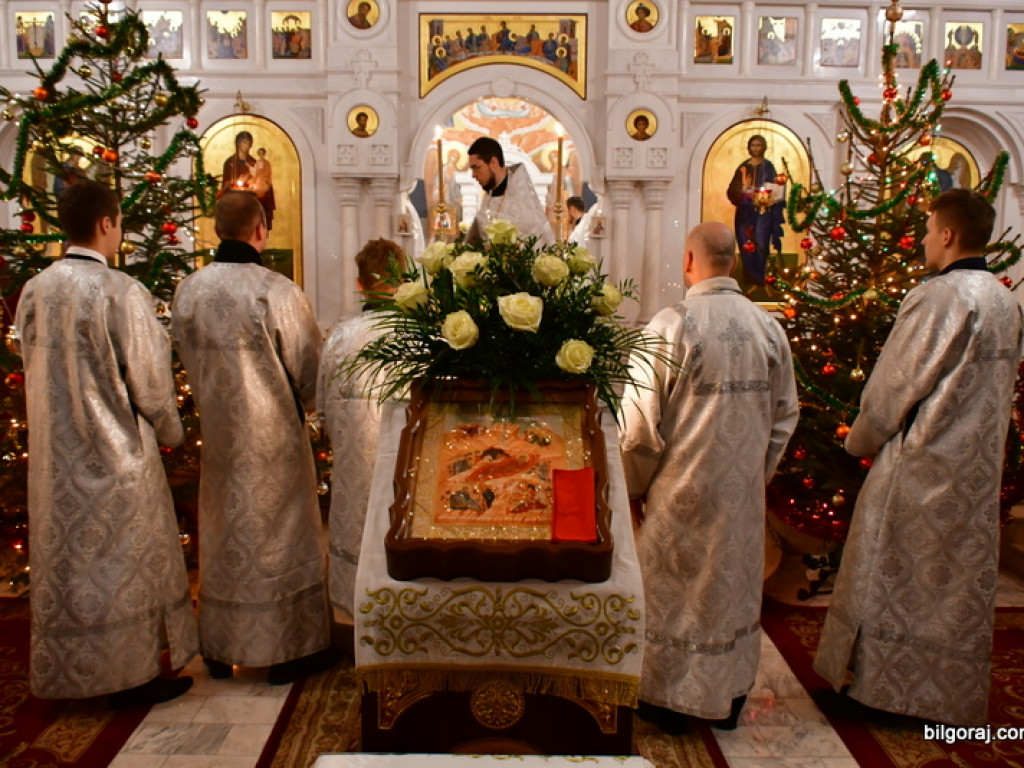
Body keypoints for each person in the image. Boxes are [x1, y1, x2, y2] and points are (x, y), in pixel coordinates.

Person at [813, 189, 1024, 727]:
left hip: (920, 465)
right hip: (973, 475)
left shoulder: (939, 298)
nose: (925, 239)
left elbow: (894, 388)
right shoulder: (1003, 299)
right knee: (947, 586)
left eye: (930, 229)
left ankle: (879, 693)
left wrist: (859, 438)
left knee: (886, 579)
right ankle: (940, 698)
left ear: (949, 235)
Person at [16, 180, 197, 707]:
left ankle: (71, 675)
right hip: (117, 454)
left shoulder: (35, 290)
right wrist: (171, 432)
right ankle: (131, 676)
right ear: (105, 224)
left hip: (55, 460)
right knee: (124, 565)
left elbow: (30, 363)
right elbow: (151, 381)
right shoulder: (121, 291)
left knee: (72, 565)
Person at [619, 221, 798, 733]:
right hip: (741, 499)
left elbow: (637, 426)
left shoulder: (671, 324)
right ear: (736, 261)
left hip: (681, 494)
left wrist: (634, 489)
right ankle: (730, 696)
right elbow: (786, 414)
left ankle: (667, 700)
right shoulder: (769, 327)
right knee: (731, 594)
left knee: (678, 597)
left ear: (688, 261)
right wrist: (752, 475)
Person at [172, 191, 336, 685]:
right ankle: (286, 650)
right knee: (279, 539)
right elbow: (309, 370)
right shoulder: (276, 290)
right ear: (260, 230)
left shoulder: (190, 290)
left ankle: (221, 650)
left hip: (220, 439)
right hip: (274, 443)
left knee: (225, 538)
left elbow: (184, 356)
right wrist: (310, 409)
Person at [317, 239, 406, 629]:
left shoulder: (339, 336)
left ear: (359, 284)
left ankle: (355, 626)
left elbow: (321, 408)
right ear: (403, 282)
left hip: (353, 474)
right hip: (403, 474)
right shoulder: (418, 337)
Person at [465, 137, 555, 247]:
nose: (473, 175)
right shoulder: (489, 196)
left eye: (476, 167)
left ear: (493, 162)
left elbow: (538, 236)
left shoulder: (523, 197)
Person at [726, 134, 785, 287]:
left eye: (759, 145)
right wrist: (743, 192)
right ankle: (749, 279)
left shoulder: (768, 166)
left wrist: (768, 197)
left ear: (764, 147)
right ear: (748, 148)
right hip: (745, 212)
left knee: (761, 242)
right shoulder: (743, 167)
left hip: (763, 213)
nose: (756, 148)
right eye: (753, 145)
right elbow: (732, 190)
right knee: (745, 243)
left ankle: (761, 278)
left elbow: (776, 188)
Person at [221, 130, 275, 231]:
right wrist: (236, 182)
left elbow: (261, 179)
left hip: (251, 202)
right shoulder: (229, 163)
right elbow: (225, 186)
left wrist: (257, 183)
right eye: (244, 142)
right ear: (238, 144)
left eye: (249, 143)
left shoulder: (254, 162)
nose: (246, 145)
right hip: (235, 203)